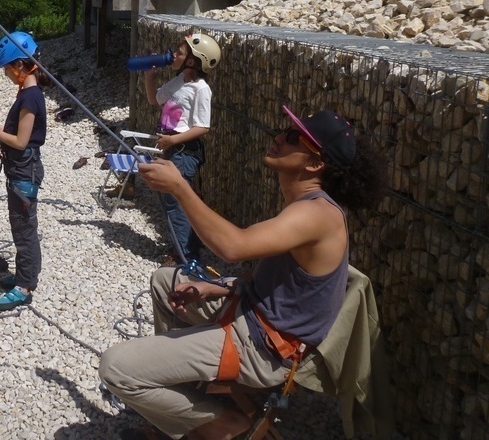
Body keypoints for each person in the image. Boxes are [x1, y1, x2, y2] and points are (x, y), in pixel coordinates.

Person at [98, 106, 389, 440]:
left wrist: (180, 187)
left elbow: (233, 247)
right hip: (251, 317)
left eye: (293, 137)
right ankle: (180, 399)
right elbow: (275, 284)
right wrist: (219, 288)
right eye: (285, 130)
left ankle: (220, 424)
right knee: (166, 281)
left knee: (115, 368)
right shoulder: (304, 206)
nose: (279, 137)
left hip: (263, 349)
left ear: (314, 164)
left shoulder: (317, 215)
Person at [129, 33, 221, 263]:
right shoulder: (180, 80)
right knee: (174, 202)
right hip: (172, 148)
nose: (174, 55)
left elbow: (203, 127)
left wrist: (173, 141)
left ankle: (185, 257)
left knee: (176, 204)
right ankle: (187, 247)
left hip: (183, 152)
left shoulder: (201, 89)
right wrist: (149, 76)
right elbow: (155, 99)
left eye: (179, 53)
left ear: (192, 61)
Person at [0, 31, 52, 311]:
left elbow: (21, 141)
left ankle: (25, 285)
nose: (6, 74)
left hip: (25, 171)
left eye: (7, 69)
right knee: (21, 226)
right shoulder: (28, 93)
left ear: (21, 66)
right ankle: (24, 275)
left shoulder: (30, 98)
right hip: (22, 168)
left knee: (24, 229)